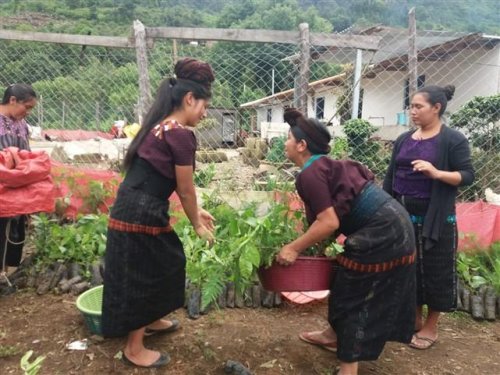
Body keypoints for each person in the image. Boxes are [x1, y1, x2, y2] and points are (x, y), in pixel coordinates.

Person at [276, 108, 416, 375]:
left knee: (354, 294)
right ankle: (332, 335)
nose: (284, 144)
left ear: (301, 145)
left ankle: (348, 369)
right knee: (341, 278)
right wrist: (313, 245)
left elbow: (328, 222)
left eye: (288, 139)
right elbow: (327, 221)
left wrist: (293, 248)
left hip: (383, 232)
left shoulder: (310, 173)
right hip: (396, 224)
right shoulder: (321, 166)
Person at [101, 58, 216, 368]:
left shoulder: (160, 125)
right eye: (204, 106)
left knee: (165, 261)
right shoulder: (180, 133)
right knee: (144, 271)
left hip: (135, 205)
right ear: (190, 99)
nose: (205, 114)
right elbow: (186, 188)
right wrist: (197, 224)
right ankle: (134, 348)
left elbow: (163, 180)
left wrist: (197, 210)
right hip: (141, 211)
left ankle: (151, 319)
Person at [383, 85, 474, 350]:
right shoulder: (404, 139)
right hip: (402, 214)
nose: (412, 111)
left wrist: (437, 173)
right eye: (411, 106)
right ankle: (414, 318)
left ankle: (431, 325)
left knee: (436, 269)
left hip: (436, 217)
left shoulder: (453, 140)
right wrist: (385, 206)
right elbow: (391, 175)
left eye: (418, 106)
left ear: (437, 108)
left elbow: (467, 175)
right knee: (407, 266)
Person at [0, 84, 37, 276]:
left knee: (17, 229)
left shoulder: (22, 125)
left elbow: (27, 154)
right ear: (13, 100)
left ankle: (10, 274)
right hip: (1, 186)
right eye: (27, 107)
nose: (28, 112)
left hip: (18, 186)